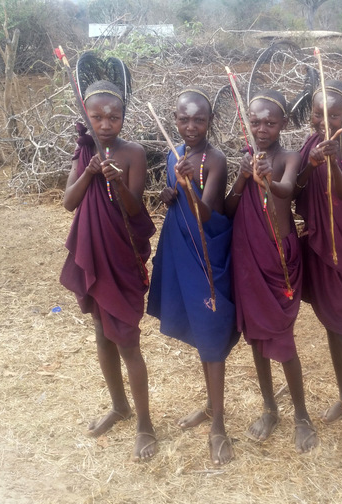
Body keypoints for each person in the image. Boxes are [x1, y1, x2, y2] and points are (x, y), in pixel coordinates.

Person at [60, 77, 157, 461]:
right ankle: (119, 406)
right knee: (102, 334)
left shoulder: (134, 153)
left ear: (122, 118)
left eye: (113, 117)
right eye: (97, 117)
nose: (104, 124)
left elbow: (135, 211)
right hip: (93, 255)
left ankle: (145, 424)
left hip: (121, 256)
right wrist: (89, 172)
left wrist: (116, 182)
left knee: (128, 342)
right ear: (88, 115)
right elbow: (69, 202)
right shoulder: (84, 152)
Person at [147, 87, 237, 465]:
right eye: (183, 119)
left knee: (213, 331)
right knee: (201, 331)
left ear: (210, 121)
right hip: (180, 247)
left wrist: (187, 186)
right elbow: (180, 204)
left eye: (199, 119)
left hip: (207, 253)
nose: (190, 126)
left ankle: (219, 426)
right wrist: (171, 194)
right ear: (175, 119)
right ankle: (210, 407)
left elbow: (205, 213)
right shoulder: (174, 154)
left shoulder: (214, 160)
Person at [225, 89, 318, 453]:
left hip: (279, 260)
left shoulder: (290, 157)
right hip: (249, 258)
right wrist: (244, 178)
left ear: (282, 124)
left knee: (283, 340)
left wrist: (266, 179)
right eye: (256, 121)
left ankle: (302, 416)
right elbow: (230, 208)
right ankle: (269, 407)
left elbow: (286, 190)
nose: (262, 128)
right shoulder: (248, 159)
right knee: (257, 339)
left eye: (271, 122)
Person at [294, 79, 342, 454]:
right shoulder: (308, 146)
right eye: (317, 114)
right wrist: (310, 163)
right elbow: (296, 189)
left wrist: (331, 162)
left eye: (334, 115)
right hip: (319, 244)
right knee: (330, 322)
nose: (325, 122)